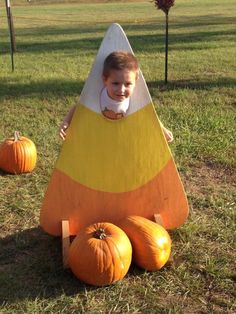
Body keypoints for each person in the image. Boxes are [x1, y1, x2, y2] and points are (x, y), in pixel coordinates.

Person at [59, 51, 173, 142]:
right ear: (105, 80)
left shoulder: (136, 101)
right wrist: (66, 122)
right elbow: (78, 107)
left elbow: (149, 114)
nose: (121, 90)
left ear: (136, 81)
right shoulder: (99, 96)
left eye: (128, 84)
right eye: (115, 83)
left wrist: (162, 129)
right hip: (100, 137)